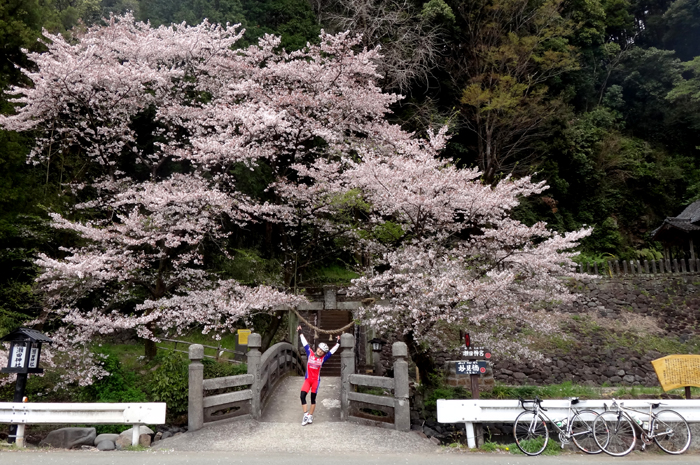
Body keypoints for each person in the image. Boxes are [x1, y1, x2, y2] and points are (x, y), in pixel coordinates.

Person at [297, 325, 340, 426]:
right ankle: (306, 415)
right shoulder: (310, 353)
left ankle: (310, 415)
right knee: (302, 396)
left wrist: (338, 343)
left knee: (313, 399)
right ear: (317, 348)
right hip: (308, 380)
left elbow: (331, 352)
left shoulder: (323, 358)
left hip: (316, 381)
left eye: (322, 351)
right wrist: (300, 333)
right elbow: (305, 343)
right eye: (319, 349)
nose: (320, 351)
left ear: (323, 353)